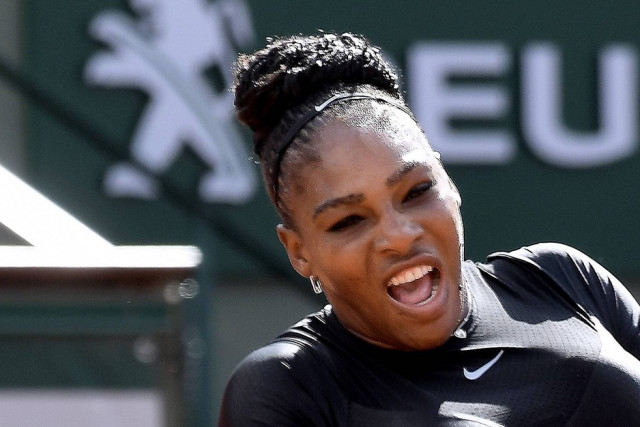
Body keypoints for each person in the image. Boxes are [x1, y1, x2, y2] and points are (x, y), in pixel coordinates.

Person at [219, 32, 640, 426]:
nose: (400, 235)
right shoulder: (287, 386)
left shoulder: (560, 278)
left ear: (448, 182)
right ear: (299, 251)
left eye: (417, 191)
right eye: (349, 221)